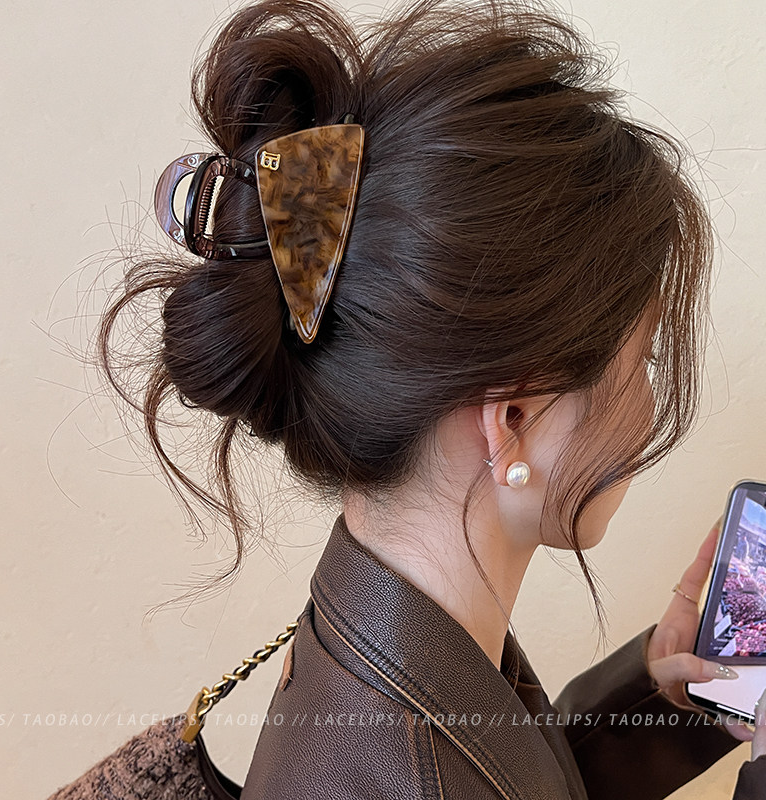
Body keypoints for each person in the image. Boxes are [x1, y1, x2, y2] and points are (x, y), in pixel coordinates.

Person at [98, 0, 766, 796]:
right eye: (644, 359)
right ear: (513, 420)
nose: (649, 409)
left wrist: (661, 697)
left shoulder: (383, 629)